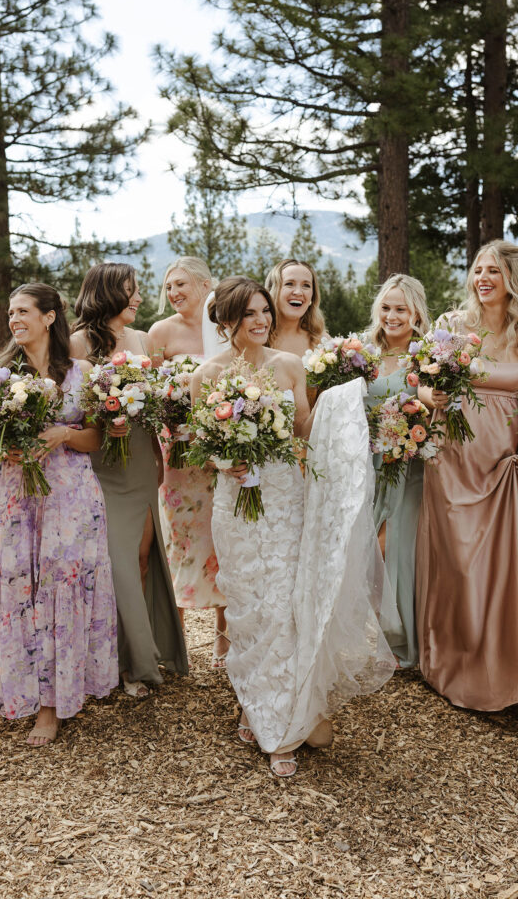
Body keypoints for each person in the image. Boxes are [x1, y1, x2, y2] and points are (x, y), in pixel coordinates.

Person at [192, 277, 395, 776]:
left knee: (285, 605)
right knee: (249, 608)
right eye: (250, 314)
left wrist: (344, 403)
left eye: (265, 311)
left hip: (286, 498)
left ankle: (280, 723)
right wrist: (226, 461)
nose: (262, 321)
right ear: (226, 322)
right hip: (236, 505)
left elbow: (303, 428)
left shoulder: (288, 366)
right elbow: (199, 444)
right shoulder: (205, 375)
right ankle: (255, 702)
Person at [416, 241, 518, 711]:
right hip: (452, 453)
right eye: (477, 269)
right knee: (456, 563)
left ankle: (501, 667)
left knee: (502, 566)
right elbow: (426, 381)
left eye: (493, 271)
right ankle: (451, 660)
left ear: (513, 278)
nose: (482, 278)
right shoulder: (452, 327)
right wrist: (431, 395)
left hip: (502, 460)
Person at [0, 283, 118, 745]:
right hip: (19, 495)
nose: (15, 320)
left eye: (24, 312)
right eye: (11, 313)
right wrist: (9, 448)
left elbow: (97, 439)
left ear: (50, 317)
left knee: (61, 585)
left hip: (71, 495)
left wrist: (61, 434)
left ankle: (53, 704)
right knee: (21, 586)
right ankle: (19, 692)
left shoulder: (82, 373)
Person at [71, 263, 188, 697]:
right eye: (130, 290)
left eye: (138, 290)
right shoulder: (79, 342)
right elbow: (72, 406)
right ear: (106, 293)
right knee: (112, 563)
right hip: (101, 462)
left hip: (140, 458)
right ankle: (124, 664)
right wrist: (105, 419)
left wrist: (159, 453)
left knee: (140, 558)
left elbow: (154, 402)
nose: (138, 297)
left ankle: (136, 650)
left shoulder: (142, 340)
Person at [147, 257, 228, 668]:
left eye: (181, 284)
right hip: (176, 454)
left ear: (204, 284)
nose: (174, 293)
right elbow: (147, 390)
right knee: (176, 542)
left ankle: (223, 639)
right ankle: (175, 641)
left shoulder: (223, 327)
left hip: (219, 453)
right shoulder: (160, 332)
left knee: (222, 538)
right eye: (169, 287)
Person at [363, 274, 430, 669]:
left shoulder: (426, 359)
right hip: (368, 466)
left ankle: (403, 644)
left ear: (416, 313)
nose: (392, 316)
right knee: (368, 552)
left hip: (408, 468)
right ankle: (383, 636)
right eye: (386, 308)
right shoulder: (362, 355)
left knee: (396, 550)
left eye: (400, 309)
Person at [264, 259, 326, 357]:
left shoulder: (322, 341)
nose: (298, 292)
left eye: (306, 285)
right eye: (289, 284)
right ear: (273, 291)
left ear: (312, 296)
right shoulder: (257, 337)